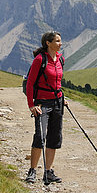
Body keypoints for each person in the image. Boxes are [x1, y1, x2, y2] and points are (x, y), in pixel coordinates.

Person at [25, 31, 67, 184]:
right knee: (40, 137)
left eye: (60, 41)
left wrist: (62, 98)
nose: (60, 44)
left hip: (57, 102)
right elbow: (30, 83)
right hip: (42, 104)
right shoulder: (39, 60)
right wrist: (31, 105)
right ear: (48, 43)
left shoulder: (60, 59)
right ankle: (32, 171)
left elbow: (57, 81)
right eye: (57, 41)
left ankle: (48, 172)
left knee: (54, 137)